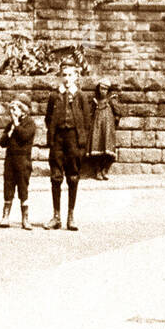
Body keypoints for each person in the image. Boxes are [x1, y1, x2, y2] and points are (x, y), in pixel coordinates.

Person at [44, 61, 92, 230]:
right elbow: (48, 118)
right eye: (64, 75)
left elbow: (87, 122)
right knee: (56, 176)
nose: (67, 78)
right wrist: (52, 135)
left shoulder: (80, 96)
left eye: (70, 75)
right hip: (58, 139)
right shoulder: (54, 96)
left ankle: (71, 216)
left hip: (73, 139)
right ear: (60, 76)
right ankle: (56, 216)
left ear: (76, 77)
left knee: (73, 176)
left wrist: (82, 143)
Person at [0, 95, 36, 229]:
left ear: (23, 110)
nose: (13, 112)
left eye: (15, 109)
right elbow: (2, 143)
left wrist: (16, 125)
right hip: (10, 161)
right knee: (8, 187)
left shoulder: (30, 123)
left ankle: (25, 219)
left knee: (23, 189)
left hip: (23, 162)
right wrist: (9, 133)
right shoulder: (11, 125)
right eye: (12, 109)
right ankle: (5, 216)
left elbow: (24, 136)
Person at [85, 79, 122, 179]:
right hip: (97, 127)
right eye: (101, 89)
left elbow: (118, 112)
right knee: (96, 147)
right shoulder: (95, 101)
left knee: (107, 149)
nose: (103, 91)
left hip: (107, 127)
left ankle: (104, 170)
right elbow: (89, 113)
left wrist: (115, 120)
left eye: (105, 89)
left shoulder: (111, 100)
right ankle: (97, 170)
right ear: (98, 89)